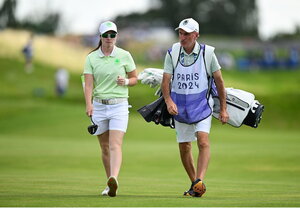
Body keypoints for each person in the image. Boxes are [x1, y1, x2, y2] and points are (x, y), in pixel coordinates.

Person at [161, 18, 229, 197]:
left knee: (203, 141)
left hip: (202, 106)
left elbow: (219, 82)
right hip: (179, 107)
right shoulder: (173, 52)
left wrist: (223, 109)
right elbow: (166, 80)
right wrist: (168, 101)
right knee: (184, 147)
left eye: (187, 34)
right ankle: (195, 184)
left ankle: (200, 179)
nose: (182, 37)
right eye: (180, 33)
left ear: (196, 35)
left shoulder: (208, 53)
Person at [83, 21, 137, 197]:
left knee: (115, 144)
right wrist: (89, 104)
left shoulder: (124, 55)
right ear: (100, 37)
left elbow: (135, 77)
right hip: (99, 105)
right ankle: (109, 184)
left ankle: (114, 177)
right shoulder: (91, 58)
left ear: (116, 36)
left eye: (112, 35)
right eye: (106, 35)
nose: (109, 38)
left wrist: (127, 82)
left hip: (119, 105)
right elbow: (89, 84)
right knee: (104, 147)